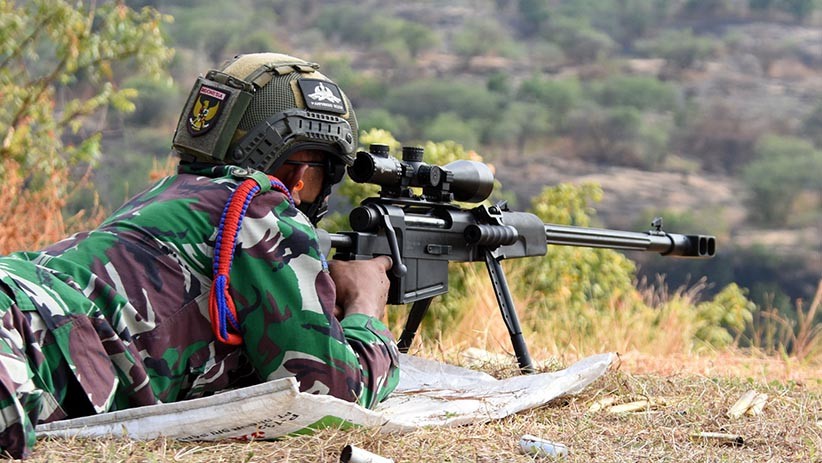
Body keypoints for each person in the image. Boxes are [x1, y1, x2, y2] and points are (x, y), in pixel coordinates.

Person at [0, 52, 400, 459]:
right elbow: (333, 394)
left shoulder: (165, 196)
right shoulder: (256, 208)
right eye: (322, 171)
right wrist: (365, 307)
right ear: (299, 173)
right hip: (17, 333)